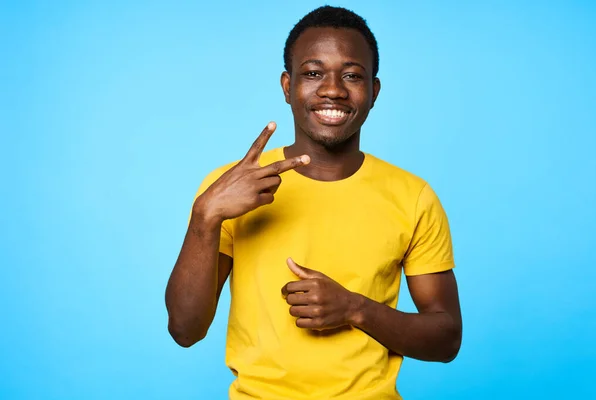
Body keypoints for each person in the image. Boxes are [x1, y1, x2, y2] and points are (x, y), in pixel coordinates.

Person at [165, 5, 462, 400]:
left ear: (373, 91)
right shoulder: (230, 188)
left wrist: (356, 309)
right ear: (288, 87)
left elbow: (445, 341)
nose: (333, 89)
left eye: (352, 75)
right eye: (313, 72)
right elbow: (185, 330)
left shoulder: (413, 196)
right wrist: (205, 216)